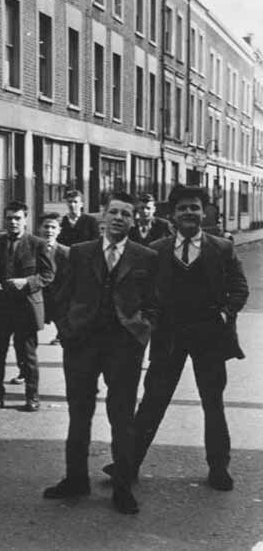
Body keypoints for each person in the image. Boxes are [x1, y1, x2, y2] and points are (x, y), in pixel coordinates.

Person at [117, 185, 249, 492]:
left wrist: (225, 314)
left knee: (212, 403)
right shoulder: (157, 249)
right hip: (169, 336)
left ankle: (219, 468)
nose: (189, 213)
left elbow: (240, 289)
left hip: (209, 337)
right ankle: (128, 465)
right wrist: (147, 321)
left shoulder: (223, 248)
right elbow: (140, 290)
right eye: (182, 208)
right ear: (172, 215)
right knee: (152, 402)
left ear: (205, 213)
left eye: (195, 207)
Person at [43, 192, 158, 515]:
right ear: (103, 217)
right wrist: (66, 330)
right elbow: (59, 294)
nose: (119, 218)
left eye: (126, 214)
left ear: (134, 220)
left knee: (122, 418)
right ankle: (75, 479)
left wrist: (141, 332)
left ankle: (122, 488)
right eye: (114, 212)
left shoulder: (145, 257)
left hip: (124, 346)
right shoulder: (79, 253)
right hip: (82, 343)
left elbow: (154, 302)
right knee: (79, 413)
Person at [0, 201, 53, 413]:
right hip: (1, 308)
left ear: (25, 219)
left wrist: (27, 282)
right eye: (9, 218)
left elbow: (48, 275)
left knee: (27, 355)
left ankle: (32, 397)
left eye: (17, 218)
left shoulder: (37, 244)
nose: (13, 222)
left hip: (26, 308)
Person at [38, 212, 70, 350]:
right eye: (46, 227)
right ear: (39, 229)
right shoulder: (32, 249)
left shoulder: (66, 252)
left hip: (58, 297)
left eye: (53, 227)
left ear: (59, 230)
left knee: (64, 330)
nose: (49, 231)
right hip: (38, 296)